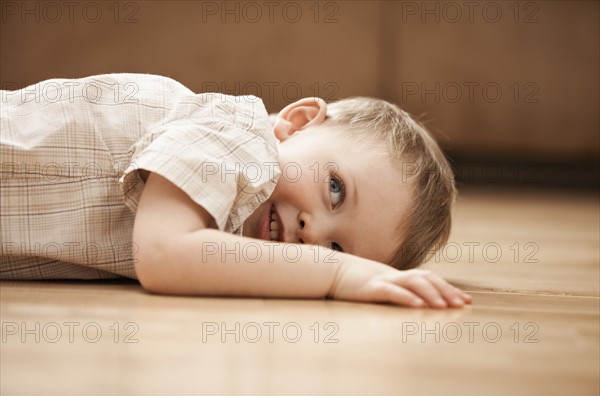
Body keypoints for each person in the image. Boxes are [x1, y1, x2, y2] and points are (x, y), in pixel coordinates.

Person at [0, 73, 472, 308]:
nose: (312, 234)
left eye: (336, 245)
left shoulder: (223, 233)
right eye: (335, 189)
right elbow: (162, 255)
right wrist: (337, 274)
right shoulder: (237, 134)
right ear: (298, 122)